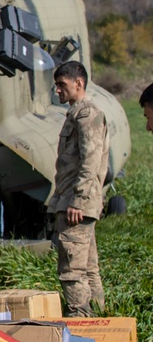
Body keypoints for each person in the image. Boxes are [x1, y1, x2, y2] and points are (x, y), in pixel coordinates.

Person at [49, 60, 109, 317]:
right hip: (75, 201)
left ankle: (81, 320)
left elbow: (90, 160)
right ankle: (100, 321)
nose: (58, 91)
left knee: (72, 270)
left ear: (79, 83)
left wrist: (78, 201)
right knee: (88, 268)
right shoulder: (78, 113)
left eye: (62, 85)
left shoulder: (86, 114)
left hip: (76, 204)